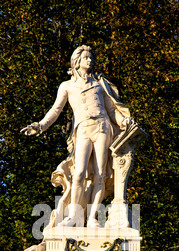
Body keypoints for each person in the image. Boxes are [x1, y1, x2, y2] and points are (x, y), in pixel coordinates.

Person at [21, 45, 134, 227]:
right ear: (77, 61)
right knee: (79, 172)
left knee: (100, 173)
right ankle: (74, 215)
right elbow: (56, 110)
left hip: (102, 127)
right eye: (86, 58)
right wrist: (41, 125)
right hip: (83, 128)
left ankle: (91, 218)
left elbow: (112, 110)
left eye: (91, 58)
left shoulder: (99, 84)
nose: (90, 60)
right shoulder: (67, 86)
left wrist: (123, 121)